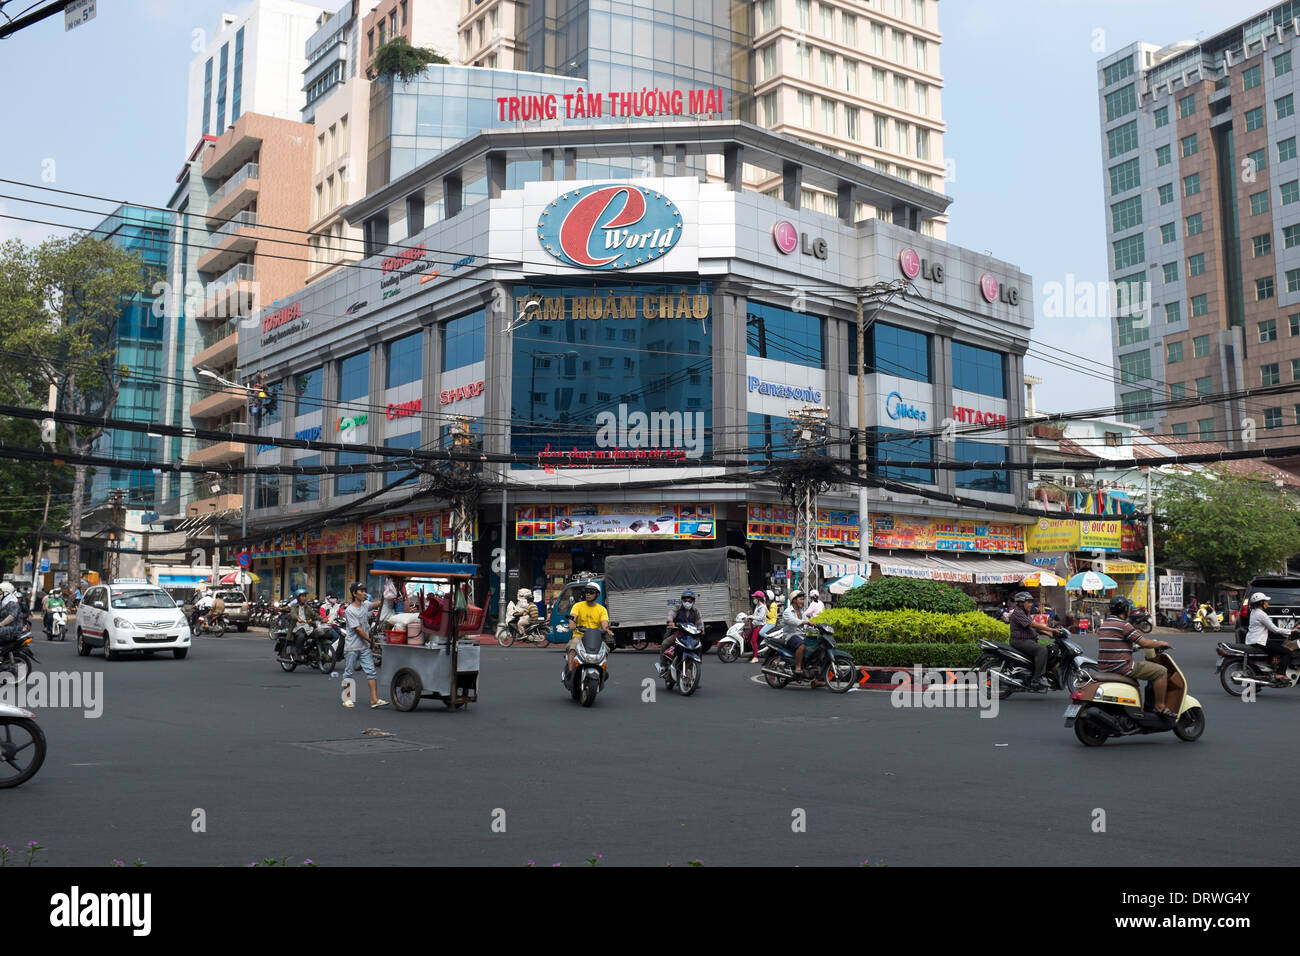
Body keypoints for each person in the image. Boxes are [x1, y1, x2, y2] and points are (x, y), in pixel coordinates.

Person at [1096, 595, 1175, 716]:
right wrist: (1161, 643)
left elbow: (1115, 644)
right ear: (1125, 609)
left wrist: (1135, 648)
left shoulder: (1105, 624)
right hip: (1122, 667)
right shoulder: (1124, 625)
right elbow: (1144, 642)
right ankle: (1160, 706)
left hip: (1103, 667)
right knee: (1161, 672)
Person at [340, 582, 387, 708]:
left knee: (371, 672)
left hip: (364, 647)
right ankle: (347, 698)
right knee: (349, 672)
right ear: (355, 594)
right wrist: (371, 642)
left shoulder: (365, 605)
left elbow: (376, 604)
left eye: (364, 590)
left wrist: (386, 595)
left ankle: (374, 699)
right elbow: (358, 630)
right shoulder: (350, 610)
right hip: (352, 647)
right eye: (361, 591)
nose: (364, 593)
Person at [1007, 591, 1059, 692]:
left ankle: (1035, 673)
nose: (1031, 604)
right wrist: (1051, 629)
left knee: (1047, 649)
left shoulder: (1025, 613)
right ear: (1021, 603)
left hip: (1027, 640)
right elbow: (1033, 625)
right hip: (1019, 641)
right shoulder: (1018, 613)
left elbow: (1034, 629)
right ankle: (1036, 679)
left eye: (1031, 602)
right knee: (1041, 650)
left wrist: (1050, 635)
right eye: (1029, 602)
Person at [1245, 592, 1297, 685]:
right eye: (1265, 601)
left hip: (1254, 640)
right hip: (1259, 641)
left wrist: (1288, 631)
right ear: (1260, 603)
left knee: (1278, 647)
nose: (1267, 603)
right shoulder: (1261, 614)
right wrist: (1291, 631)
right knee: (1287, 652)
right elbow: (1274, 629)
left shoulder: (1254, 612)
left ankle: (1272, 669)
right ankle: (1280, 674)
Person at [565, 584, 611, 678]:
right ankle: (570, 672)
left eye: (591, 592)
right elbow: (573, 616)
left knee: (604, 650)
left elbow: (604, 623)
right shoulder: (578, 606)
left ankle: (603, 671)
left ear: (597, 594)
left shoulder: (602, 609)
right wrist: (572, 623)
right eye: (586, 592)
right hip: (579, 636)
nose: (588, 594)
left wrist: (606, 629)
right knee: (572, 649)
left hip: (595, 637)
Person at [780, 590, 821, 685]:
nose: (803, 601)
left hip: (801, 636)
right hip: (790, 636)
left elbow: (807, 626)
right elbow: (794, 621)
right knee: (801, 646)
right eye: (801, 599)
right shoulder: (787, 612)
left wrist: (817, 630)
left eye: (803, 599)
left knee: (815, 650)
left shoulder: (802, 612)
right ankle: (798, 667)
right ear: (794, 600)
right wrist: (806, 622)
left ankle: (814, 680)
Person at [658, 589, 703, 675]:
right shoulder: (677, 608)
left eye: (690, 600)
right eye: (685, 600)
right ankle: (662, 666)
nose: (687, 602)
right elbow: (671, 614)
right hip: (679, 634)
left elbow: (699, 621)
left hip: (691, 636)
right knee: (664, 644)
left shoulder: (696, 611)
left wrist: (702, 629)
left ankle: (696, 668)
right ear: (682, 600)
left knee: (699, 647)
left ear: (693, 601)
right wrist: (670, 621)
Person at [290, 589, 315, 661]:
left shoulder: (307, 607)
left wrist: (322, 619)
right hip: (297, 627)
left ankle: (309, 651)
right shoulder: (294, 606)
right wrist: (298, 618)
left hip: (307, 627)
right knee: (301, 636)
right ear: (298, 598)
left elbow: (314, 614)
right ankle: (297, 653)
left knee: (317, 635)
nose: (304, 598)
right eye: (302, 596)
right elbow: (293, 614)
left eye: (305, 596)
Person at [748, 590, 768, 663]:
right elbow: (755, 615)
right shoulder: (757, 606)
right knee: (748, 637)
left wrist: (752, 617)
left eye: (755, 598)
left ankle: (755, 657)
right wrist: (748, 616)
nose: (754, 599)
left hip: (760, 626)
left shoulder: (763, 607)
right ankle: (752, 654)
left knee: (753, 640)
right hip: (755, 625)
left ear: (759, 598)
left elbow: (760, 617)